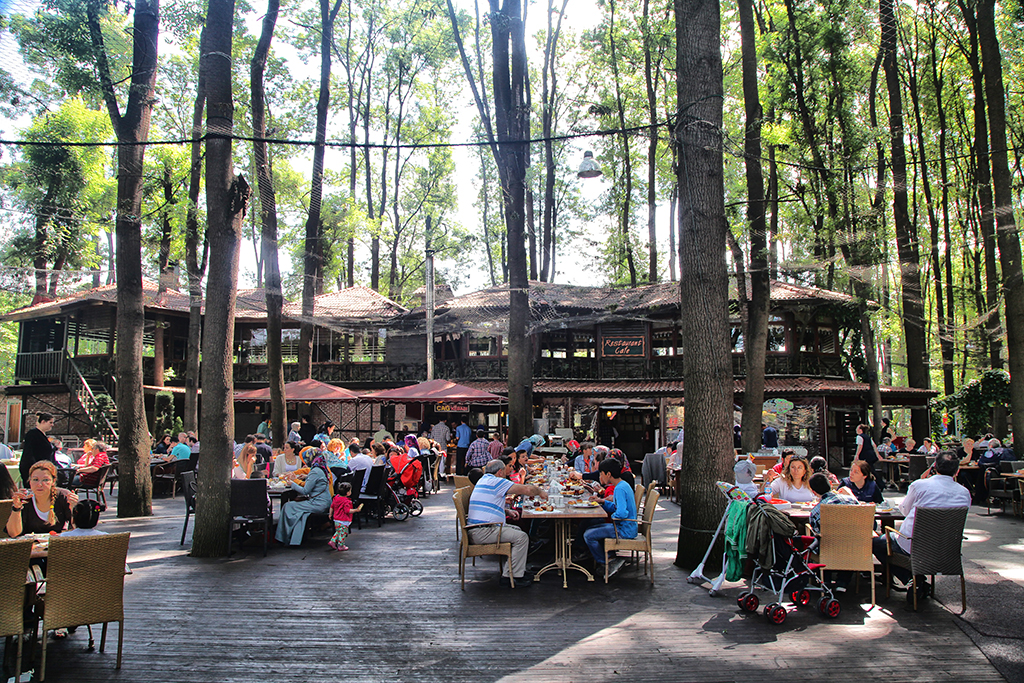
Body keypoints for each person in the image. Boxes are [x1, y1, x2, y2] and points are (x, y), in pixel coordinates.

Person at [872, 452, 970, 603]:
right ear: (957, 471)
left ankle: (912, 580)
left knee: (877, 543)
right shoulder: (964, 493)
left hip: (913, 546)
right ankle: (918, 581)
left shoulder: (920, 485)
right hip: (946, 550)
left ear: (934, 466)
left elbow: (904, 510)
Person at [466, 459, 547, 588]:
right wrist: (540, 492)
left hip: (478, 528)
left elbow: (488, 502)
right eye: (504, 470)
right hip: (483, 531)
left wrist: (506, 511)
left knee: (518, 530)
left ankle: (516, 570)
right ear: (499, 472)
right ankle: (511, 577)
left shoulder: (484, 480)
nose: (506, 473)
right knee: (522, 538)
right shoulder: (496, 482)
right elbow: (526, 489)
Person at [582, 459, 638, 578]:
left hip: (624, 529)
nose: (600, 476)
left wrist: (613, 517)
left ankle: (607, 563)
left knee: (588, 535)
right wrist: (602, 502)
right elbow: (618, 506)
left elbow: (622, 513)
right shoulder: (623, 485)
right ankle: (610, 557)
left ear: (608, 474)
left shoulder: (619, 489)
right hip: (627, 526)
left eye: (601, 473)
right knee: (593, 528)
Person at [7, 461, 78, 537]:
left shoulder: (63, 496)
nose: (39, 484)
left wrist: (74, 508)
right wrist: (16, 508)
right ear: (29, 481)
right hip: (31, 546)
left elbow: (77, 530)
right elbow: (13, 534)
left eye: (45, 480)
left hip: (58, 545)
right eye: (35, 480)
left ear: (53, 481)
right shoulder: (25, 498)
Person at [275, 454, 332, 546]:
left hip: (317, 503)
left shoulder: (315, 471)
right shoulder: (320, 469)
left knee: (287, 506)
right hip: (324, 502)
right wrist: (306, 477)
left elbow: (305, 491)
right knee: (301, 512)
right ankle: (293, 538)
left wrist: (292, 484)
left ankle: (282, 535)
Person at [19, 412, 57, 484]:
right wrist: (34, 469)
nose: (52, 425)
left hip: (43, 468)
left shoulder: (42, 435)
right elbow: (29, 453)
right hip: (35, 468)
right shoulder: (32, 434)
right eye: (50, 422)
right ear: (43, 422)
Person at [328, 481, 362, 551]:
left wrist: (330, 514)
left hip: (336, 519)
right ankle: (341, 545)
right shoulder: (346, 501)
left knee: (338, 531)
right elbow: (347, 511)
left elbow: (332, 507)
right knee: (343, 533)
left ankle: (333, 541)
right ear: (347, 493)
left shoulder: (336, 498)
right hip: (343, 519)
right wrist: (356, 510)